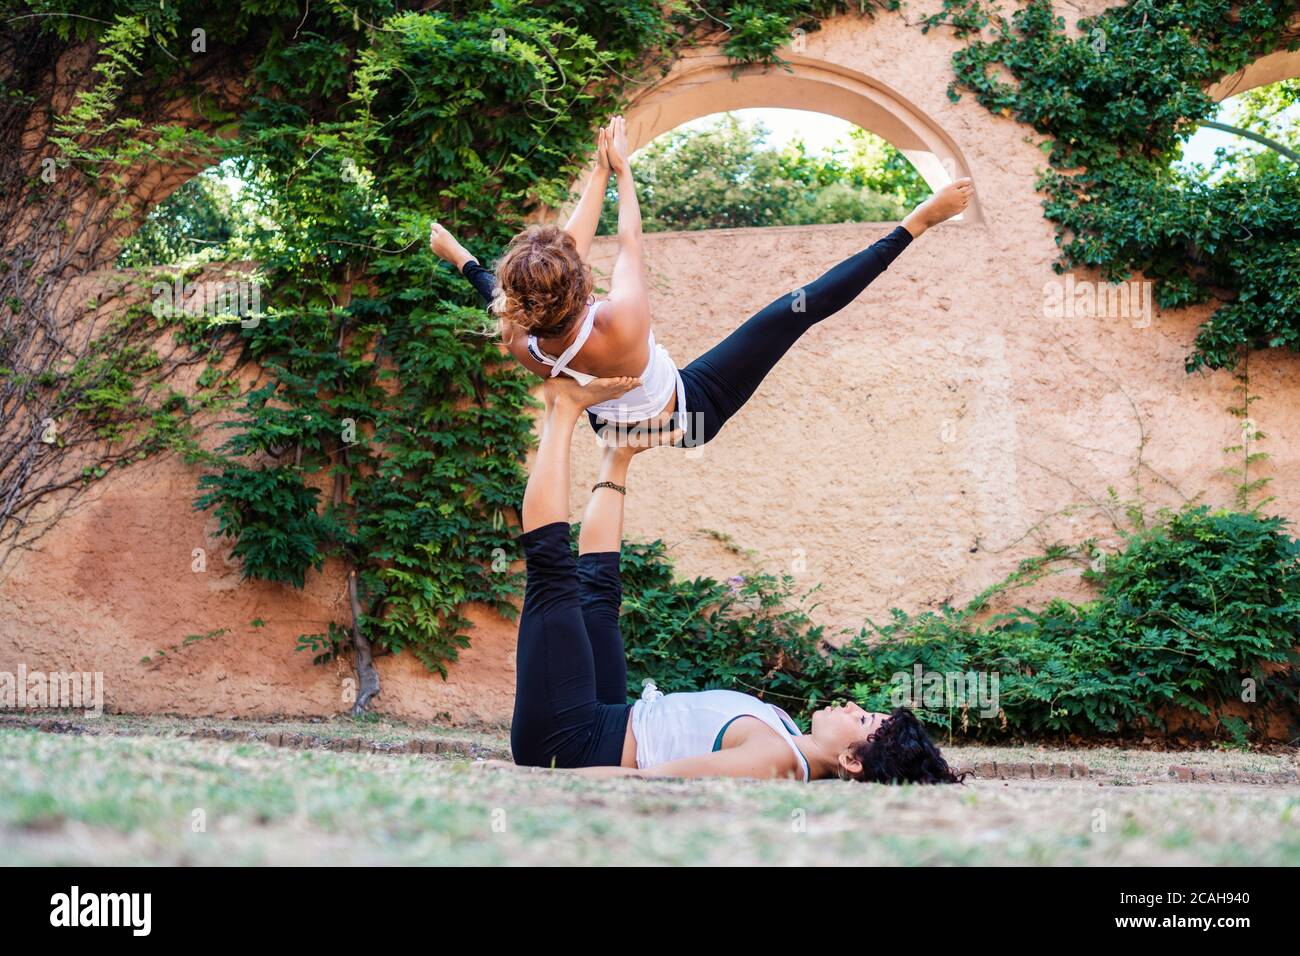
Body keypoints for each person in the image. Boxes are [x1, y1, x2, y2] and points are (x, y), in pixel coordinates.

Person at [509, 372, 967, 783]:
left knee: (555, 576)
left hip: (568, 743)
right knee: (599, 596)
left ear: (851, 760)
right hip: (609, 718)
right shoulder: (786, 736)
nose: (852, 705)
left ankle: (563, 408)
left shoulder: (776, 762)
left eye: (863, 720)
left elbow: (654, 779)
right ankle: (618, 457)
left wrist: (534, 777)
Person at [430, 115, 974, 447]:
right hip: (692, 413)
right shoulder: (622, 321)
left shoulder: (519, 335)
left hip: (614, 424)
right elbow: (630, 239)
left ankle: (915, 224)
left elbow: (504, 288)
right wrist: (620, 171)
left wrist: (460, 256)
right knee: (793, 312)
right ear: (579, 283)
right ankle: (915, 223)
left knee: (538, 319)